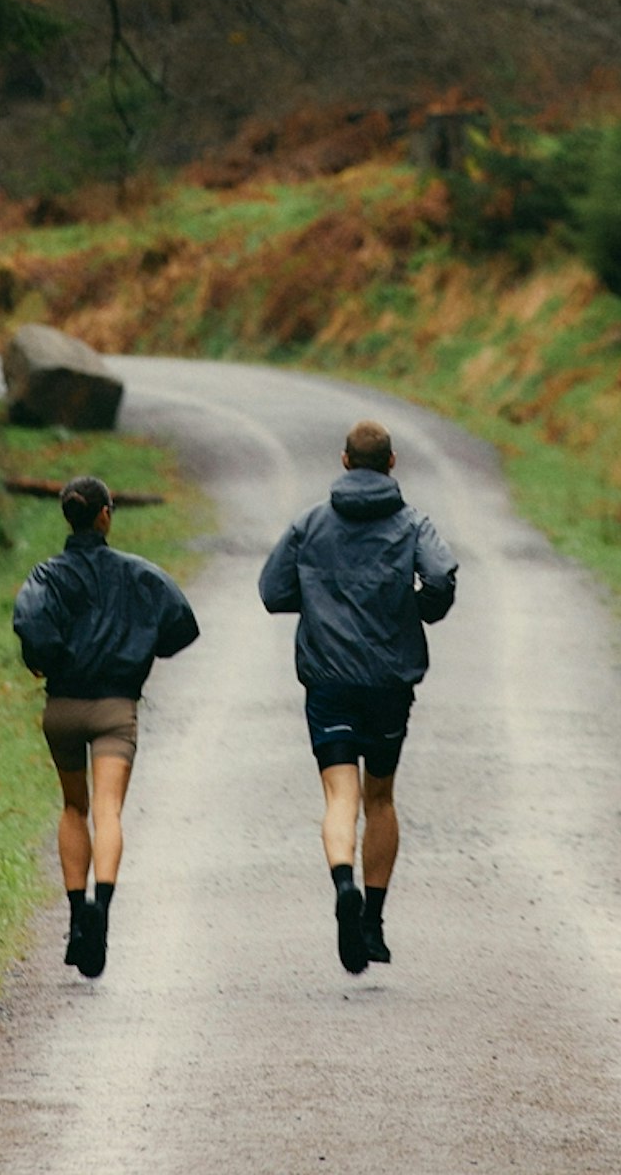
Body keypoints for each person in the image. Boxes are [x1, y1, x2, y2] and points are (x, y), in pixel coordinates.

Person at [258, 417, 457, 977]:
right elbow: (440, 580)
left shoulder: (310, 523)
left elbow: (272, 591)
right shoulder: (414, 524)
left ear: (344, 462)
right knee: (382, 798)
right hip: (390, 684)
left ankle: (342, 883)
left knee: (338, 796)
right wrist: (415, 611)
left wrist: (319, 604)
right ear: (392, 464)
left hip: (328, 682)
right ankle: (372, 922)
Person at [12, 473, 200, 979]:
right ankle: (102, 908)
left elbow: (30, 623)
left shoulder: (46, 576)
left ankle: (75, 920)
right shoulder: (139, 574)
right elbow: (183, 623)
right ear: (105, 515)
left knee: (73, 807)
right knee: (107, 809)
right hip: (115, 709)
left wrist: (46, 659)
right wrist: (140, 649)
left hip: (64, 708)